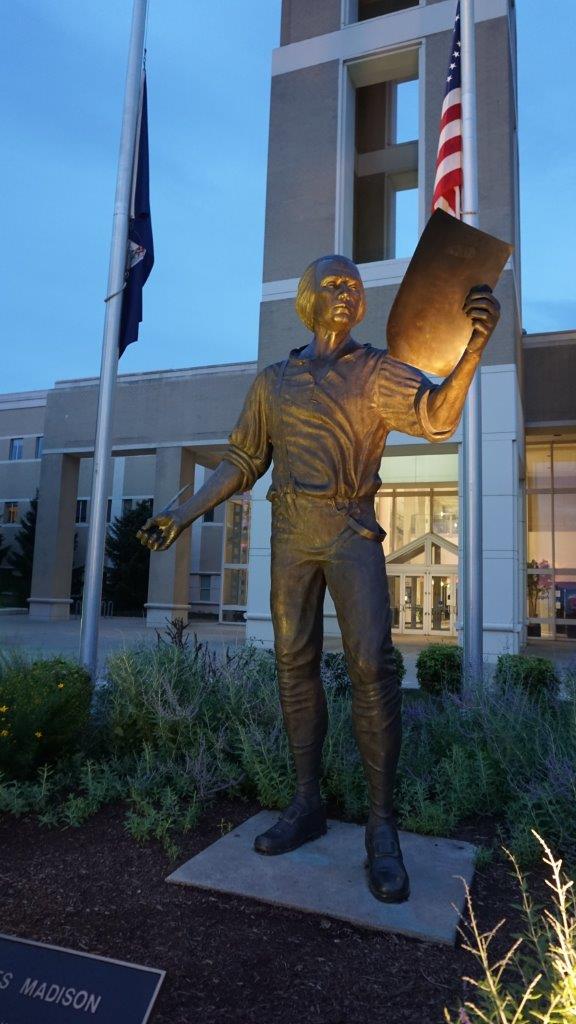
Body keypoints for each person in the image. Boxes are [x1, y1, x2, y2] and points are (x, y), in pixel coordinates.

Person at [137, 254, 500, 903]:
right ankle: (308, 804)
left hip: (352, 529)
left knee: (372, 665)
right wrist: (180, 512)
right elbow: (244, 459)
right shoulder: (273, 383)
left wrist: (474, 347)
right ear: (306, 300)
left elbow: (437, 417)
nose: (344, 293)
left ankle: (381, 830)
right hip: (291, 534)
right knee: (293, 664)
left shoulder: (378, 372)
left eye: (353, 288)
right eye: (332, 285)